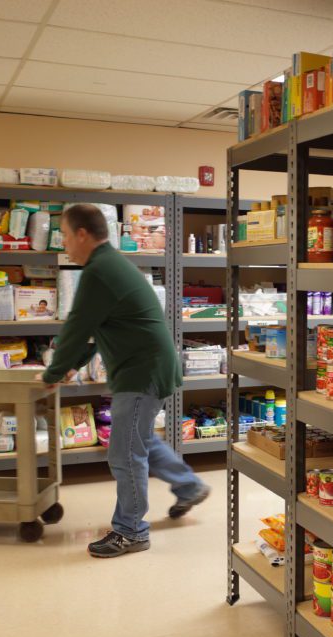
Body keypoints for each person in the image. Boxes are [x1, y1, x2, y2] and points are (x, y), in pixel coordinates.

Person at [40, 203, 209, 558]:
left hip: (141, 372)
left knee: (124, 452)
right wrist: (73, 366)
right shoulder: (109, 265)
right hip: (150, 366)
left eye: (67, 236)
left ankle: (131, 531)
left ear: (83, 234)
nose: (65, 244)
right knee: (140, 440)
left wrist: (53, 373)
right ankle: (189, 485)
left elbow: (77, 327)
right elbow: (101, 329)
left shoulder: (99, 271)